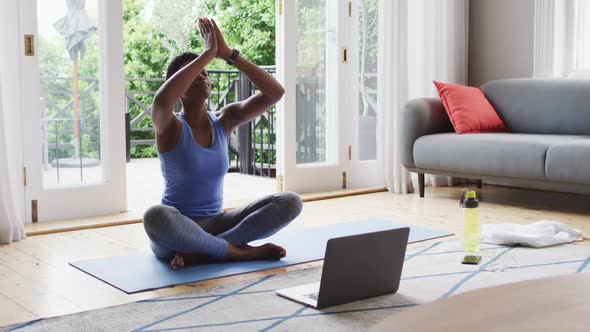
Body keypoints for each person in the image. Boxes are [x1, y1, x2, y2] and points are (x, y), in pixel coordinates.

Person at [143, 17, 302, 270]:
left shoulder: (224, 120)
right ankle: (237, 252)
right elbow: (162, 100)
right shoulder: (169, 125)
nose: (203, 76)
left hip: (218, 223)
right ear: (179, 85)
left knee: (290, 201)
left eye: (205, 72)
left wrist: (228, 54)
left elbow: (275, 93)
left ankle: (209, 250)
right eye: (196, 72)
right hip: (176, 230)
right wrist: (207, 53)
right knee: (154, 216)